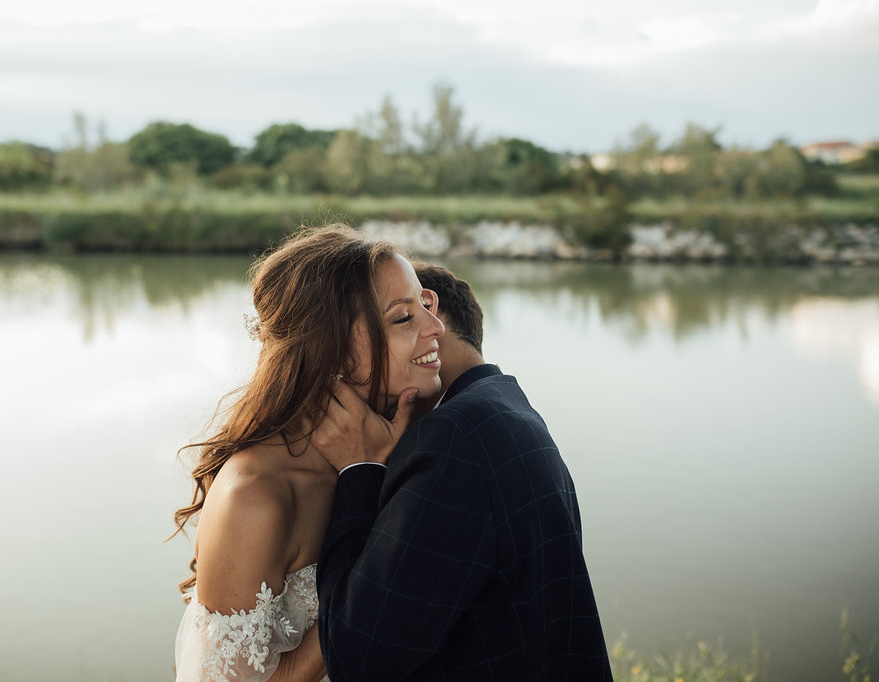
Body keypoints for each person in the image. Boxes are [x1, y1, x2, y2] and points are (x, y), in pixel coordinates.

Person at [311, 262, 613, 681]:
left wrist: (360, 469)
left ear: (436, 319)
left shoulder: (452, 440)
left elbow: (356, 658)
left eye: (410, 315)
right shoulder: (510, 410)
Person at [172, 225, 446, 681]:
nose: (436, 327)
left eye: (426, 304)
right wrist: (372, 562)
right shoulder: (254, 496)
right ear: (331, 348)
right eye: (403, 318)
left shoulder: (401, 440)